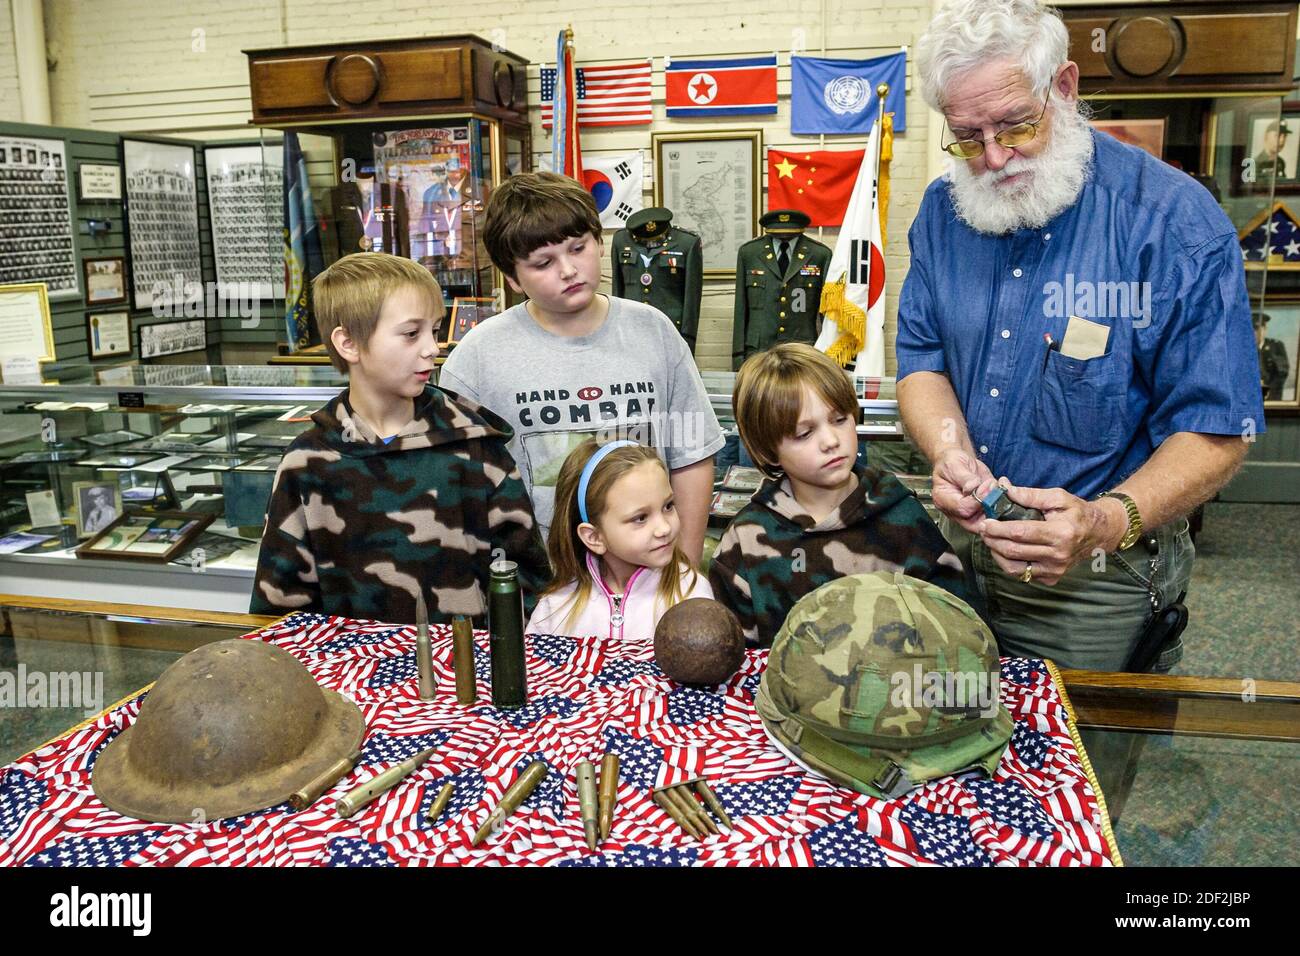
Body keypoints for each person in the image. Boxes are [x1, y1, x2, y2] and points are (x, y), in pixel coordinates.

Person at [898, 0, 1264, 675]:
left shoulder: (1174, 227)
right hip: (955, 557)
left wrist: (1104, 521)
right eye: (966, 136)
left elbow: (1216, 429)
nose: (994, 156)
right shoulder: (941, 216)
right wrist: (948, 451)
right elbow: (923, 362)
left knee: (1081, 769)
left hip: (1095, 588)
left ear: (1063, 88)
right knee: (950, 749)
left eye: (1016, 125)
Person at [251, 252, 549, 626]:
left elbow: (528, 588)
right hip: (347, 678)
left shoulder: (477, 446)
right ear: (348, 343)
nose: (432, 348)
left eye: (435, 331)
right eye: (411, 334)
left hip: (469, 675)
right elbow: (280, 611)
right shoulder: (307, 463)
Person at [439, 172, 724, 561]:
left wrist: (685, 569)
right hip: (537, 579)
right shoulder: (476, 358)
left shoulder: (654, 331)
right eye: (543, 262)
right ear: (512, 277)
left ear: (599, 240)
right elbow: (463, 493)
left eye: (578, 248)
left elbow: (691, 457)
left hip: (650, 571)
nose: (569, 270)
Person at [708, 344, 976, 647]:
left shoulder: (905, 520)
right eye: (804, 433)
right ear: (768, 450)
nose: (831, 441)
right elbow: (734, 661)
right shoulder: (745, 539)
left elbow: (958, 633)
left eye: (839, 419)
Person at [527, 439, 712, 640]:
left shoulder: (692, 595)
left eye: (668, 506)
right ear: (594, 537)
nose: (664, 528)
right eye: (640, 518)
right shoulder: (556, 609)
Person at [1254, 310, 1290, 400]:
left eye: (1260, 328)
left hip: (1272, 396)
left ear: (1265, 328)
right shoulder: (1242, 349)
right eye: (1254, 328)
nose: (1257, 332)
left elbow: (1282, 372)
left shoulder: (1276, 346)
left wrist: (1269, 389)